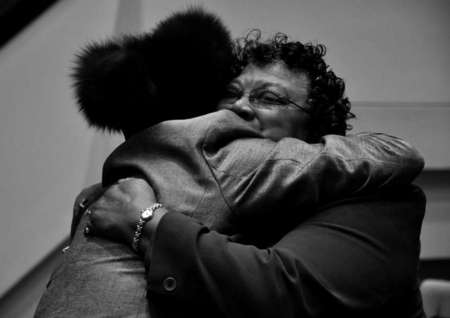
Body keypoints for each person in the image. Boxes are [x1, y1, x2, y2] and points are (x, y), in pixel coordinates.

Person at [35, 20, 425, 318]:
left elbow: (282, 292)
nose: (236, 108)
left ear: (313, 135)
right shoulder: (204, 164)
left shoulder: (376, 199)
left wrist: (147, 221)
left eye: (268, 98)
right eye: (231, 94)